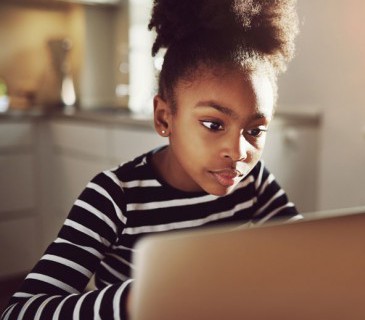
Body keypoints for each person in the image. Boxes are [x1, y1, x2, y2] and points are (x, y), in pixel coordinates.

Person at [1, 0, 300, 319]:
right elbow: (21, 311)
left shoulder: (254, 182)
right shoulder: (114, 197)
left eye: (255, 130)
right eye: (213, 124)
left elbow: (307, 252)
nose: (239, 152)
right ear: (164, 118)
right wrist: (144, 294)